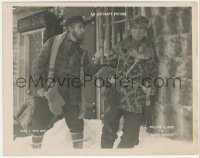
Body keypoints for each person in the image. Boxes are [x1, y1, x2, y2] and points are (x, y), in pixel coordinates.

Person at [31, 15, 102, 149]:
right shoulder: (53, 43)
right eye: (79, 27)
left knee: (77, 125)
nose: (83, 30)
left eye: (83, 27)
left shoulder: (81, 52)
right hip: (49, 91)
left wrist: (97, 61)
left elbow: (88, 72)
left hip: (71, 95)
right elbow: (37, 65)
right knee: (39, 123)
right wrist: (40, 87)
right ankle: (35, 152)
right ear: (70, 28)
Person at [100, 15, 158, 148]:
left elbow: (152, 73)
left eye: (141, 29)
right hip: (116, 94)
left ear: (145, 31)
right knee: (109, 131)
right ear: (130, 29)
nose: (138, 31)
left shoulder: (150, 50)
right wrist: (110, 78)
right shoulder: (120, 47)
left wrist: (148, 84)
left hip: (135, 97)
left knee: (131, 137)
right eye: (135, 28)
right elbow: (106, 66)